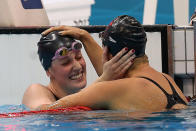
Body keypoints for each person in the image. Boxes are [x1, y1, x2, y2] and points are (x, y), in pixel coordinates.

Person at [38, 15, 188, 111]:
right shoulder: (167, 80)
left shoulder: (113, 89)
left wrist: (103, 80)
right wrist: (85, 36)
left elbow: (47, 110)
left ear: (108, 52)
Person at [22, 30, 135, 110]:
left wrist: (84, 36)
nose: (77, 66)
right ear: (48, 71)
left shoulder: (86, 98)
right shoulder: (36, 91)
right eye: (66, 62)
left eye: (79, 57)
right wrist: (103, 79)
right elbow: (45, 112)